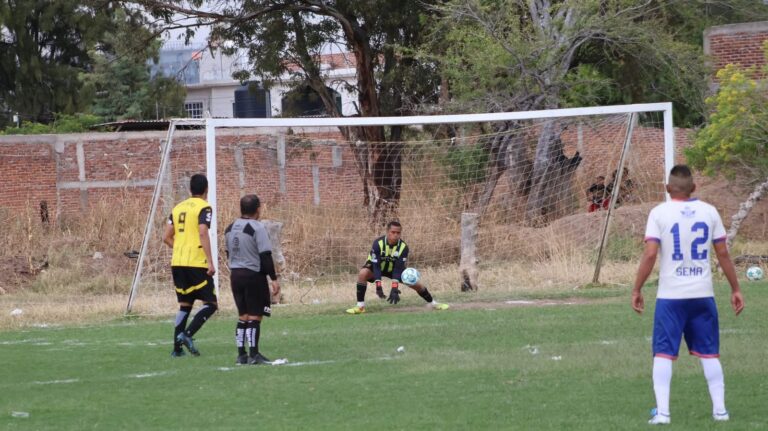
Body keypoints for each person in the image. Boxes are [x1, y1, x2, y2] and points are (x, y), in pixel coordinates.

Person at [632, 165, 744, 425]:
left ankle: (663, 413)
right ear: (694, 188)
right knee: (709, 353)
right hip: (702, 294)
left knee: (663, 353)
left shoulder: (659, 212)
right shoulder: (710, 212)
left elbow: (650, 254)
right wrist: (735, 289)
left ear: (667, 188)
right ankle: (720, 411)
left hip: (670, 297)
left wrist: (637, 289)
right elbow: (723, 254)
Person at [162, 174, 218, 357]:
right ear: (206, 190)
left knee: (185, 305)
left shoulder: (177, 208)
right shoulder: (204, 207)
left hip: (178, 263)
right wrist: (210, 261)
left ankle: (176, 349)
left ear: (190, 190)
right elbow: (203, 232)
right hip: (196, 262)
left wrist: (179, 248)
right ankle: (186, 335)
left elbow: (166, 237)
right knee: (210, 304)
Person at [345, 221, 449, 314]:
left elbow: (398, 269)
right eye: (393, 232)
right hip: (377, 268)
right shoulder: (378, 244)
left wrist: (394, 288)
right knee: (363, 273)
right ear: (387, 232)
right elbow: (376, 266)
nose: (395, 235)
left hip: (394, 269)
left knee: (416, 284)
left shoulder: (403, 247)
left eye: (398, 233)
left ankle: (433, 303)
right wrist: (378, 285)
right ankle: (360, 306)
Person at [224, 194, 280, 365]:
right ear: (258, 209)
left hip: (235, 275)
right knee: (255, 317)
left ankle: (242, 355)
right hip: (252, 275)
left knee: (243, 316)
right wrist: (273, 278)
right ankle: (254, 354)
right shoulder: (257, 228)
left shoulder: (230, 227)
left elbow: (228, 252)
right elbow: (265, 255)